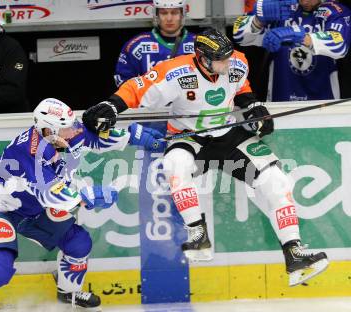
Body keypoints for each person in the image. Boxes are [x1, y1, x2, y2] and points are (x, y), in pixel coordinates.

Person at [82, 28, 329, 287]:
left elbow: (242, 89)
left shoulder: (237, 62)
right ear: (203, 58)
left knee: (275, 180)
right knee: (174, 164)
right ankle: (198, 233)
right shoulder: (176, 72)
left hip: (228, 135)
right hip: (189, 136)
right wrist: (111, 105)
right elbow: (137, 87)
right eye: (221, 59)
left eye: (228, 56)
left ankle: (294, 253)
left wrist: (255, 108)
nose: (228, 62)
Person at [0, 98, 165, 312]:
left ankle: (68, 292)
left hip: (31, 208)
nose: (73, 130)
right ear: (48, 129)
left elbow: (92, 138)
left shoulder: (59, 134)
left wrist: (133, 137)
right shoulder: (24, 154)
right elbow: (54, 196)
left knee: (78, 242)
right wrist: (86, 196)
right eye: (67, 127)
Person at [233, 0, 351, 101]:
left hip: (323, 99)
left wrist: (301, 37)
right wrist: (258, 20)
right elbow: (239, 36)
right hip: (280, 94)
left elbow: (340, 45)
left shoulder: (336, 11)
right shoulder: (281, 5)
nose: (304, 2)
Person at [114, 0, 195, 87]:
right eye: (163, 13)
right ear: (156, 15)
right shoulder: (137, 45)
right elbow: (123, 81)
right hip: (148, 99)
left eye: (174, 13)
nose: (169, 18)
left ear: (182, 15)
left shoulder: (197, 44)